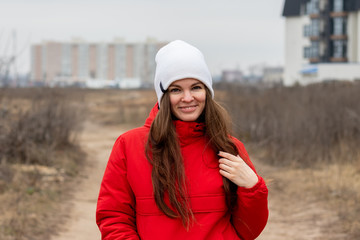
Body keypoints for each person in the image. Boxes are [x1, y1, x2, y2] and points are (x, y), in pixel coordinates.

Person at [96, 40, 268, 240]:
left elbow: (247, 231)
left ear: (207, 91)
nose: (188, 98)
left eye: (196, 87)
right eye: (176, 90)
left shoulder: (229, 147)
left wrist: (253, 188)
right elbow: (114, 218)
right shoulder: (129, 146)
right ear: (163, 96)